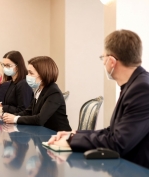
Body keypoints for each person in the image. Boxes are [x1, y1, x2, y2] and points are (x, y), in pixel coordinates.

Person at [48, 29, 149, 169]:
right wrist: (74, 134)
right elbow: (112, 131)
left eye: (103, 58)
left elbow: (118, 143)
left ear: (112, 61)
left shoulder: (142, 89)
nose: (103, 63)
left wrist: (71, 140)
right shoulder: (134, 85)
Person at [2, 56, 71, 132]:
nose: (28, 76)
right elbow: (29, 111)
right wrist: (12, 116)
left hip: (58, 136)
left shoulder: (54, 92)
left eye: (31, 73)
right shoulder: (39, 89)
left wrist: (15, 119)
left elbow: (40, 119)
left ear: (43, 74)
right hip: (44, 133)